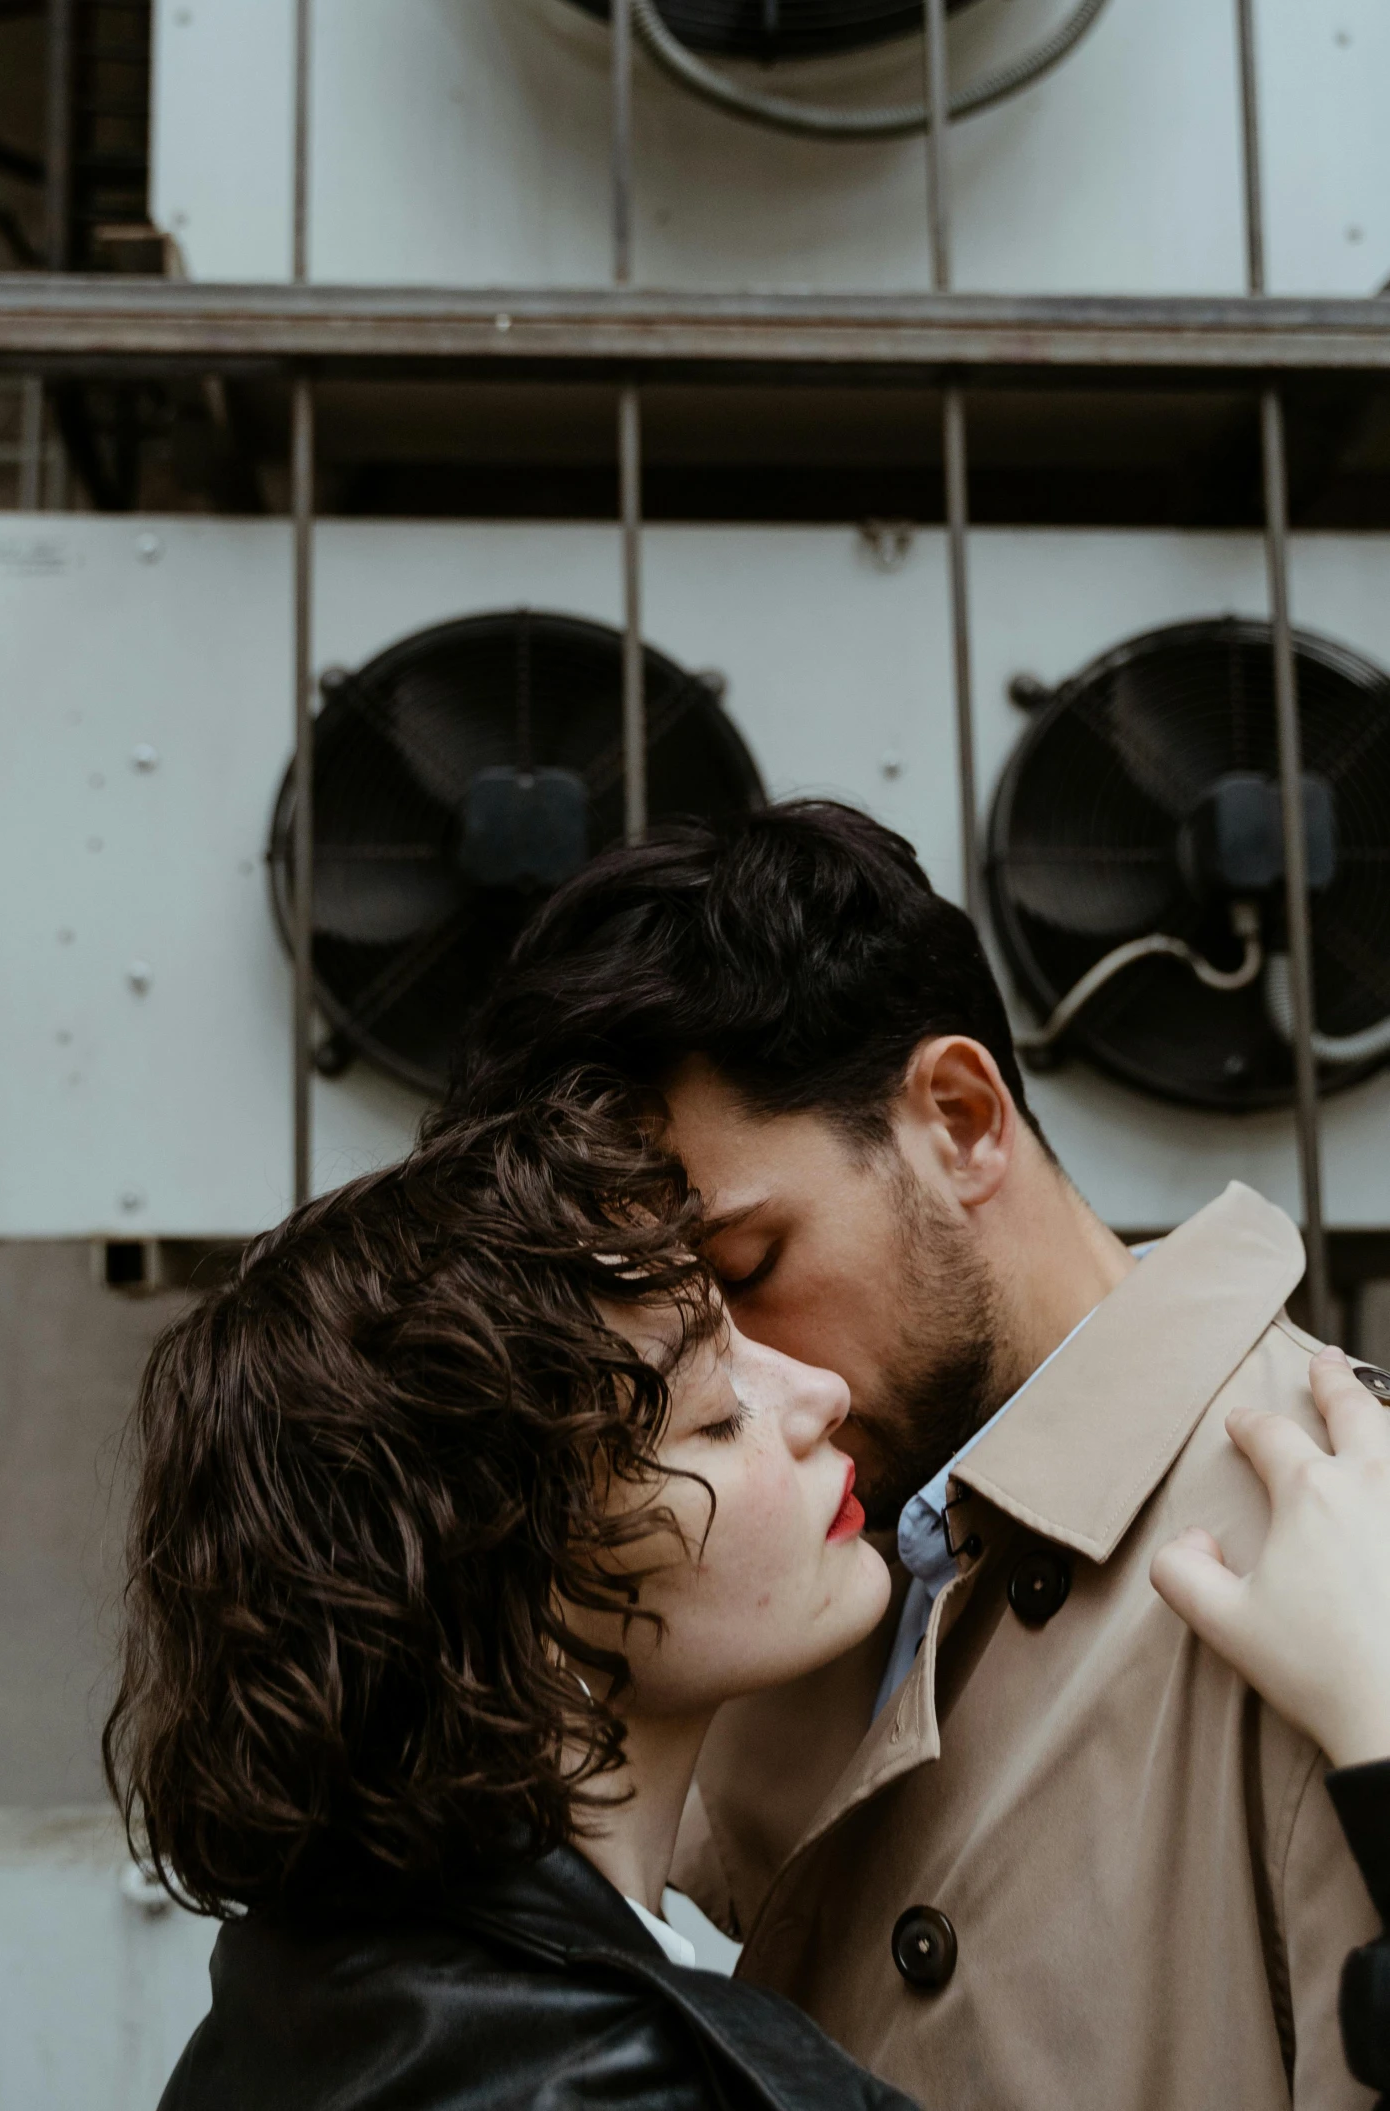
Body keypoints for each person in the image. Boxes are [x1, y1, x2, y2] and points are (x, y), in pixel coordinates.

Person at [106, 1083, 1390, 2111]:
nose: (817, 1396)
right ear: (514, 1583)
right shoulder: (610, 2079)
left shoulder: (302, 1995)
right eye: (719, 1415)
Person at [440, 800, 1388, 2111]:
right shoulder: (792, 1545)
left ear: (958, 1116)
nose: (748, 1383)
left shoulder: (1340, 1528)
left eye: (746, 1268)